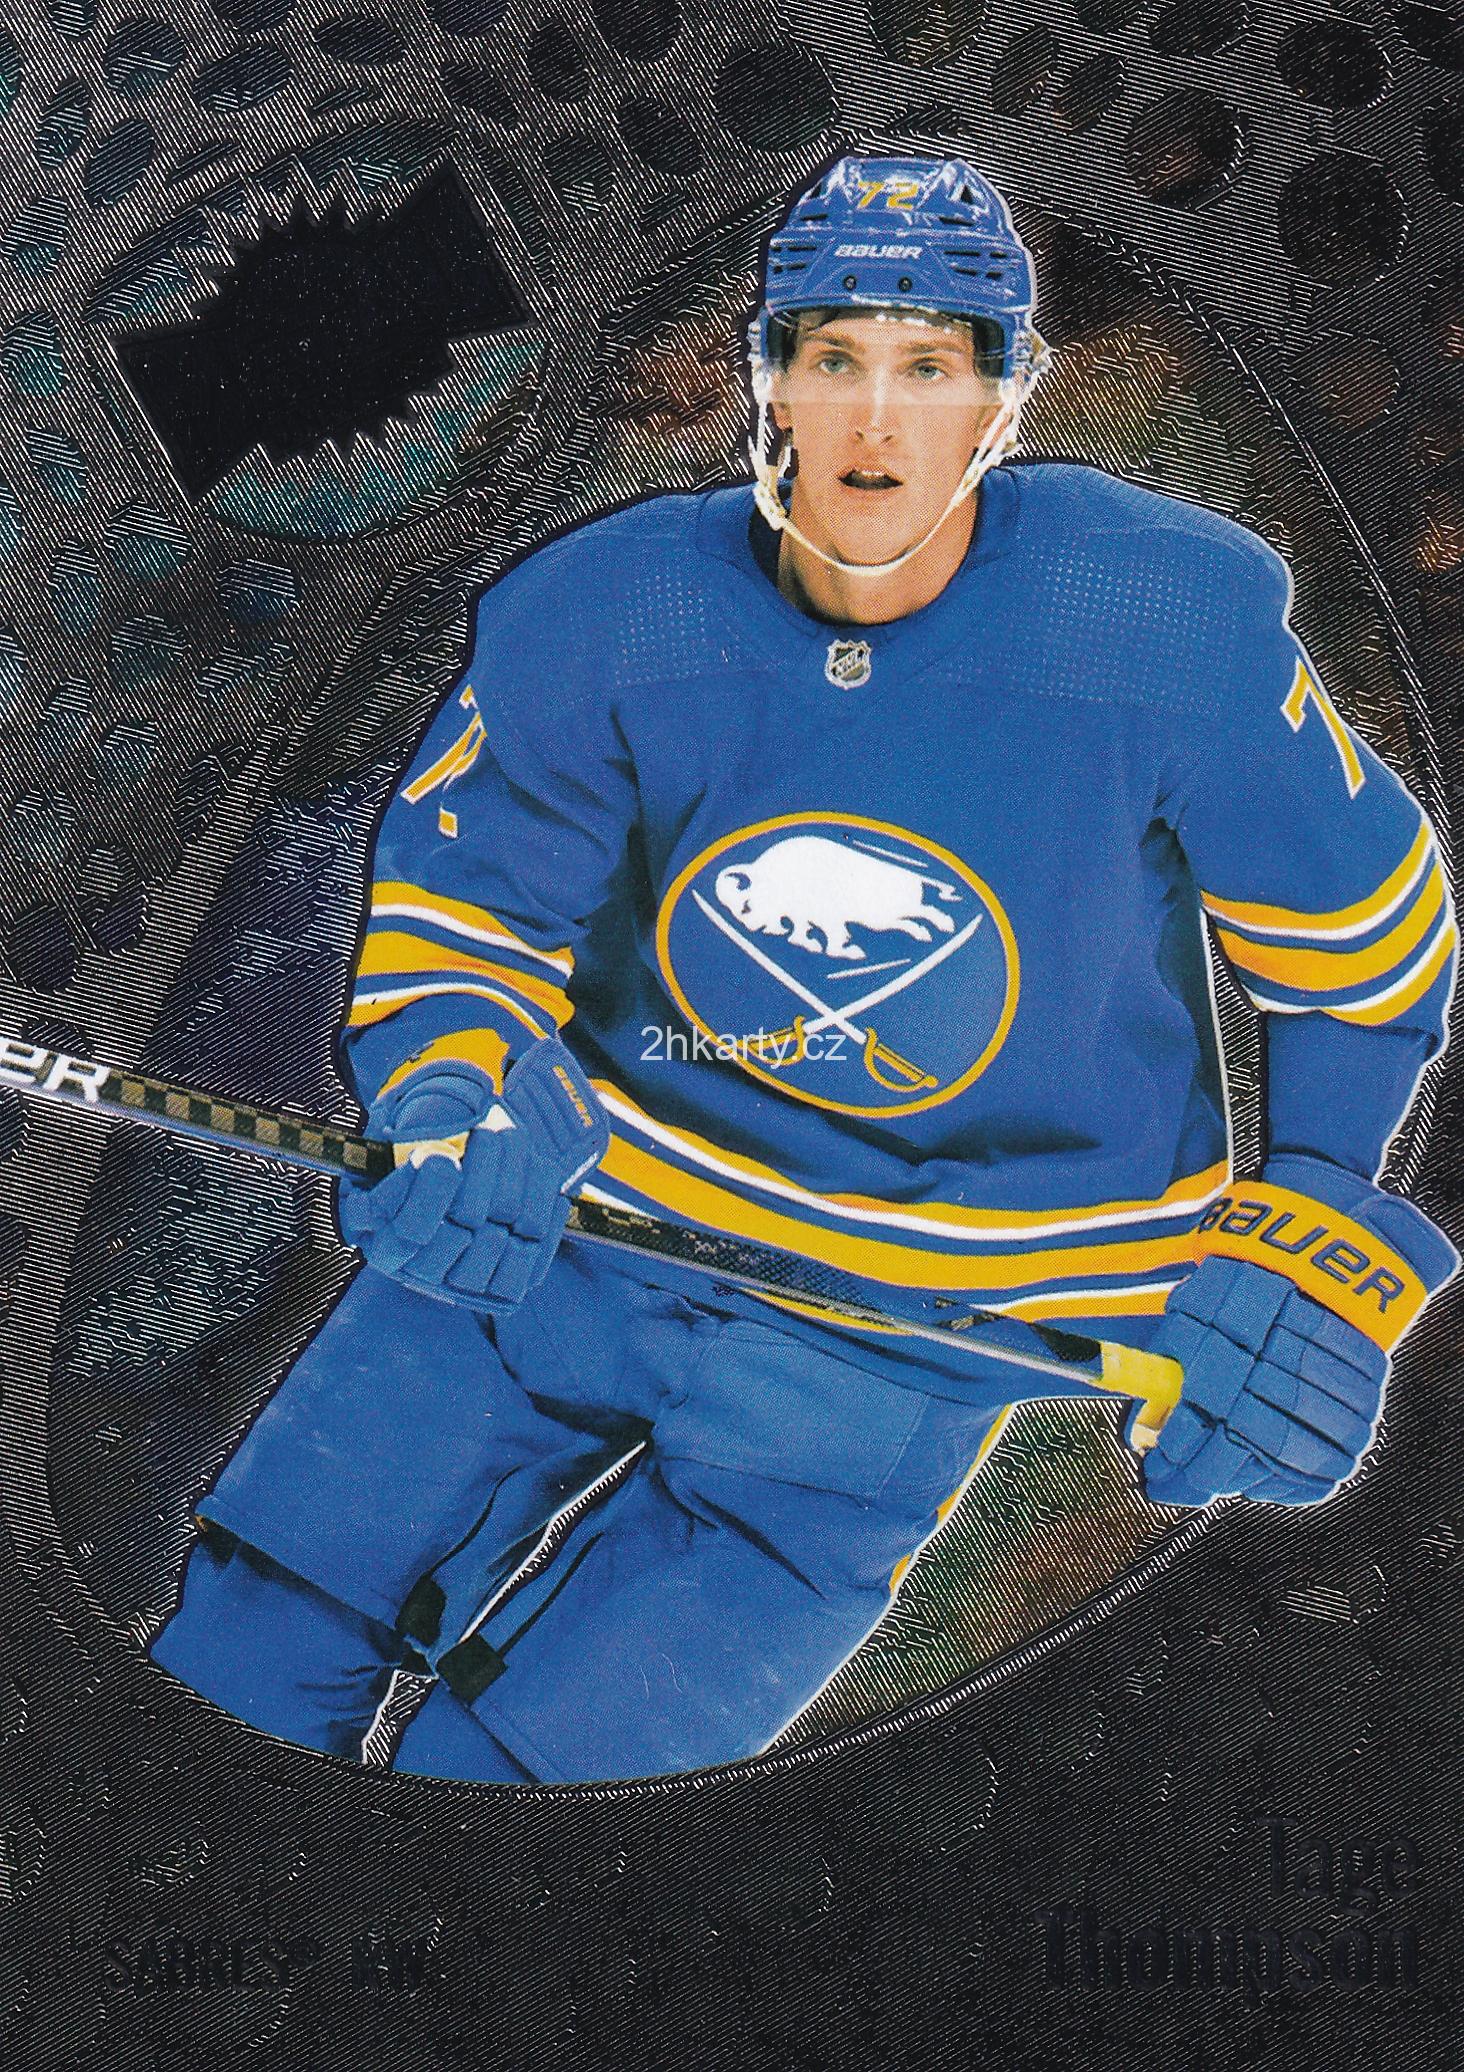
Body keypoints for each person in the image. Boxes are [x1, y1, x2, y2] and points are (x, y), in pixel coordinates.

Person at [152, 155, 1458, 1785]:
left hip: (915, 1336)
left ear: (1008, 395)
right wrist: (448, 1096)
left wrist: (1306, 1234)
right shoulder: (609, 606)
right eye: (834, 358)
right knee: (245, 1651)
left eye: (931, 366)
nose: (876, 422)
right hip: (564, 1228)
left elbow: (1364, 957)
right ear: (765, 372)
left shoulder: (1153, 620)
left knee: (534, 1791)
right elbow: (471, 913)